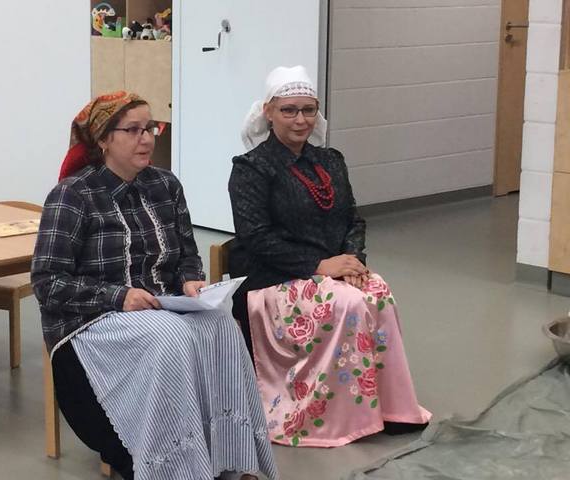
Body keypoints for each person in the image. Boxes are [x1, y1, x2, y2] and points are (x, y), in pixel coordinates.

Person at [31, 91, 278, 480]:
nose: (146, 138)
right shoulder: (73, 196)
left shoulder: (166, 185)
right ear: (104, 139)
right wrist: (119, 296)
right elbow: (48, 282)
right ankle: (172, 466)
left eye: (150, 128)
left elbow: (186, 255)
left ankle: (229, 459)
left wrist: (191, 281)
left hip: (160, 307)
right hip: (92, 321)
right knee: (169, 335)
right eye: (133, 130)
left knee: (222, 325)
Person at [228, 66, 431, 448]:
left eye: (308, 110)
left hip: (330, 270)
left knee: (378, 293)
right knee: (349, 304)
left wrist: (352, 262)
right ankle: (340, 417)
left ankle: (392, 409)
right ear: (268, 112)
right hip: (272, 277)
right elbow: (255, 238)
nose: (300, 120)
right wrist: (320, 266)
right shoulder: (250, 169)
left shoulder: (331, 161)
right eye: (289, 110)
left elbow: (353, 218)